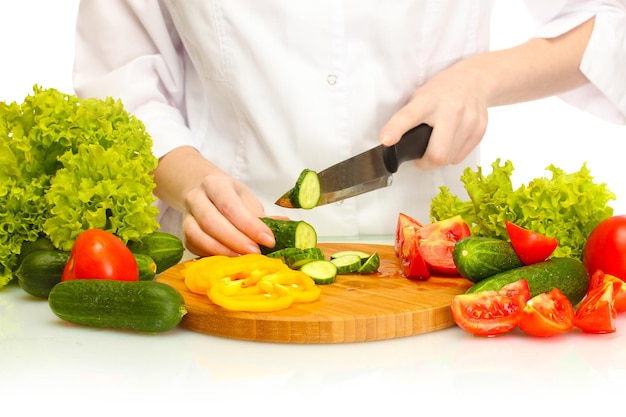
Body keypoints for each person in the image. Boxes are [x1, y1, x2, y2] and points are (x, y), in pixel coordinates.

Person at [73, 1, 626, 257]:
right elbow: (120, 76)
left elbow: (610, 22)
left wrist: (481, 78)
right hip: (230, 258)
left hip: (439, 265)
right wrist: (190, 180)